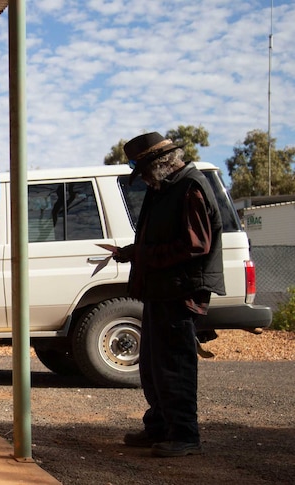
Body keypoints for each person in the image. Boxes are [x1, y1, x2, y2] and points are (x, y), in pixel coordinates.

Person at [108, 132, 225, 457]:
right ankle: (159, 426)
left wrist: (145, 255)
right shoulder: (167, 188)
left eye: (143, 170)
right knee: (153, 365)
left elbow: (195, 245)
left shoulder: (190, 187)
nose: (143, 178)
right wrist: (135, 252)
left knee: (175, 365)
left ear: (159, 165)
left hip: (180, 292)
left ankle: (185, 434)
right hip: (161, 291)